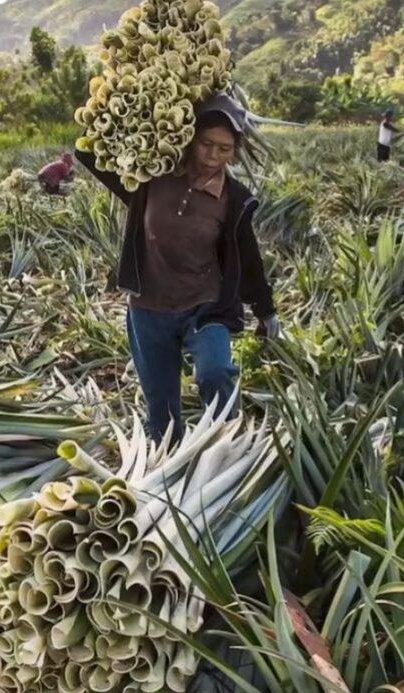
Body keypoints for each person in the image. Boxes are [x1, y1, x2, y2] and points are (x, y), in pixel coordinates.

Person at [76, 94, 278, 443]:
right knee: (162, 409)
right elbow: (88, 153)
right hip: (149, 307)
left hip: (205, 306)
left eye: (224, 149)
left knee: (215, 373)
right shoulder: (150, 178)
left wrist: (266, 311)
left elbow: (248, 258)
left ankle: (226, 445)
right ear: (190, 138)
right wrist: (113, 107)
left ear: (235, 152)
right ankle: (170, 462)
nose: (213, 156)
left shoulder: (234, 199)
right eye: (206, 144)